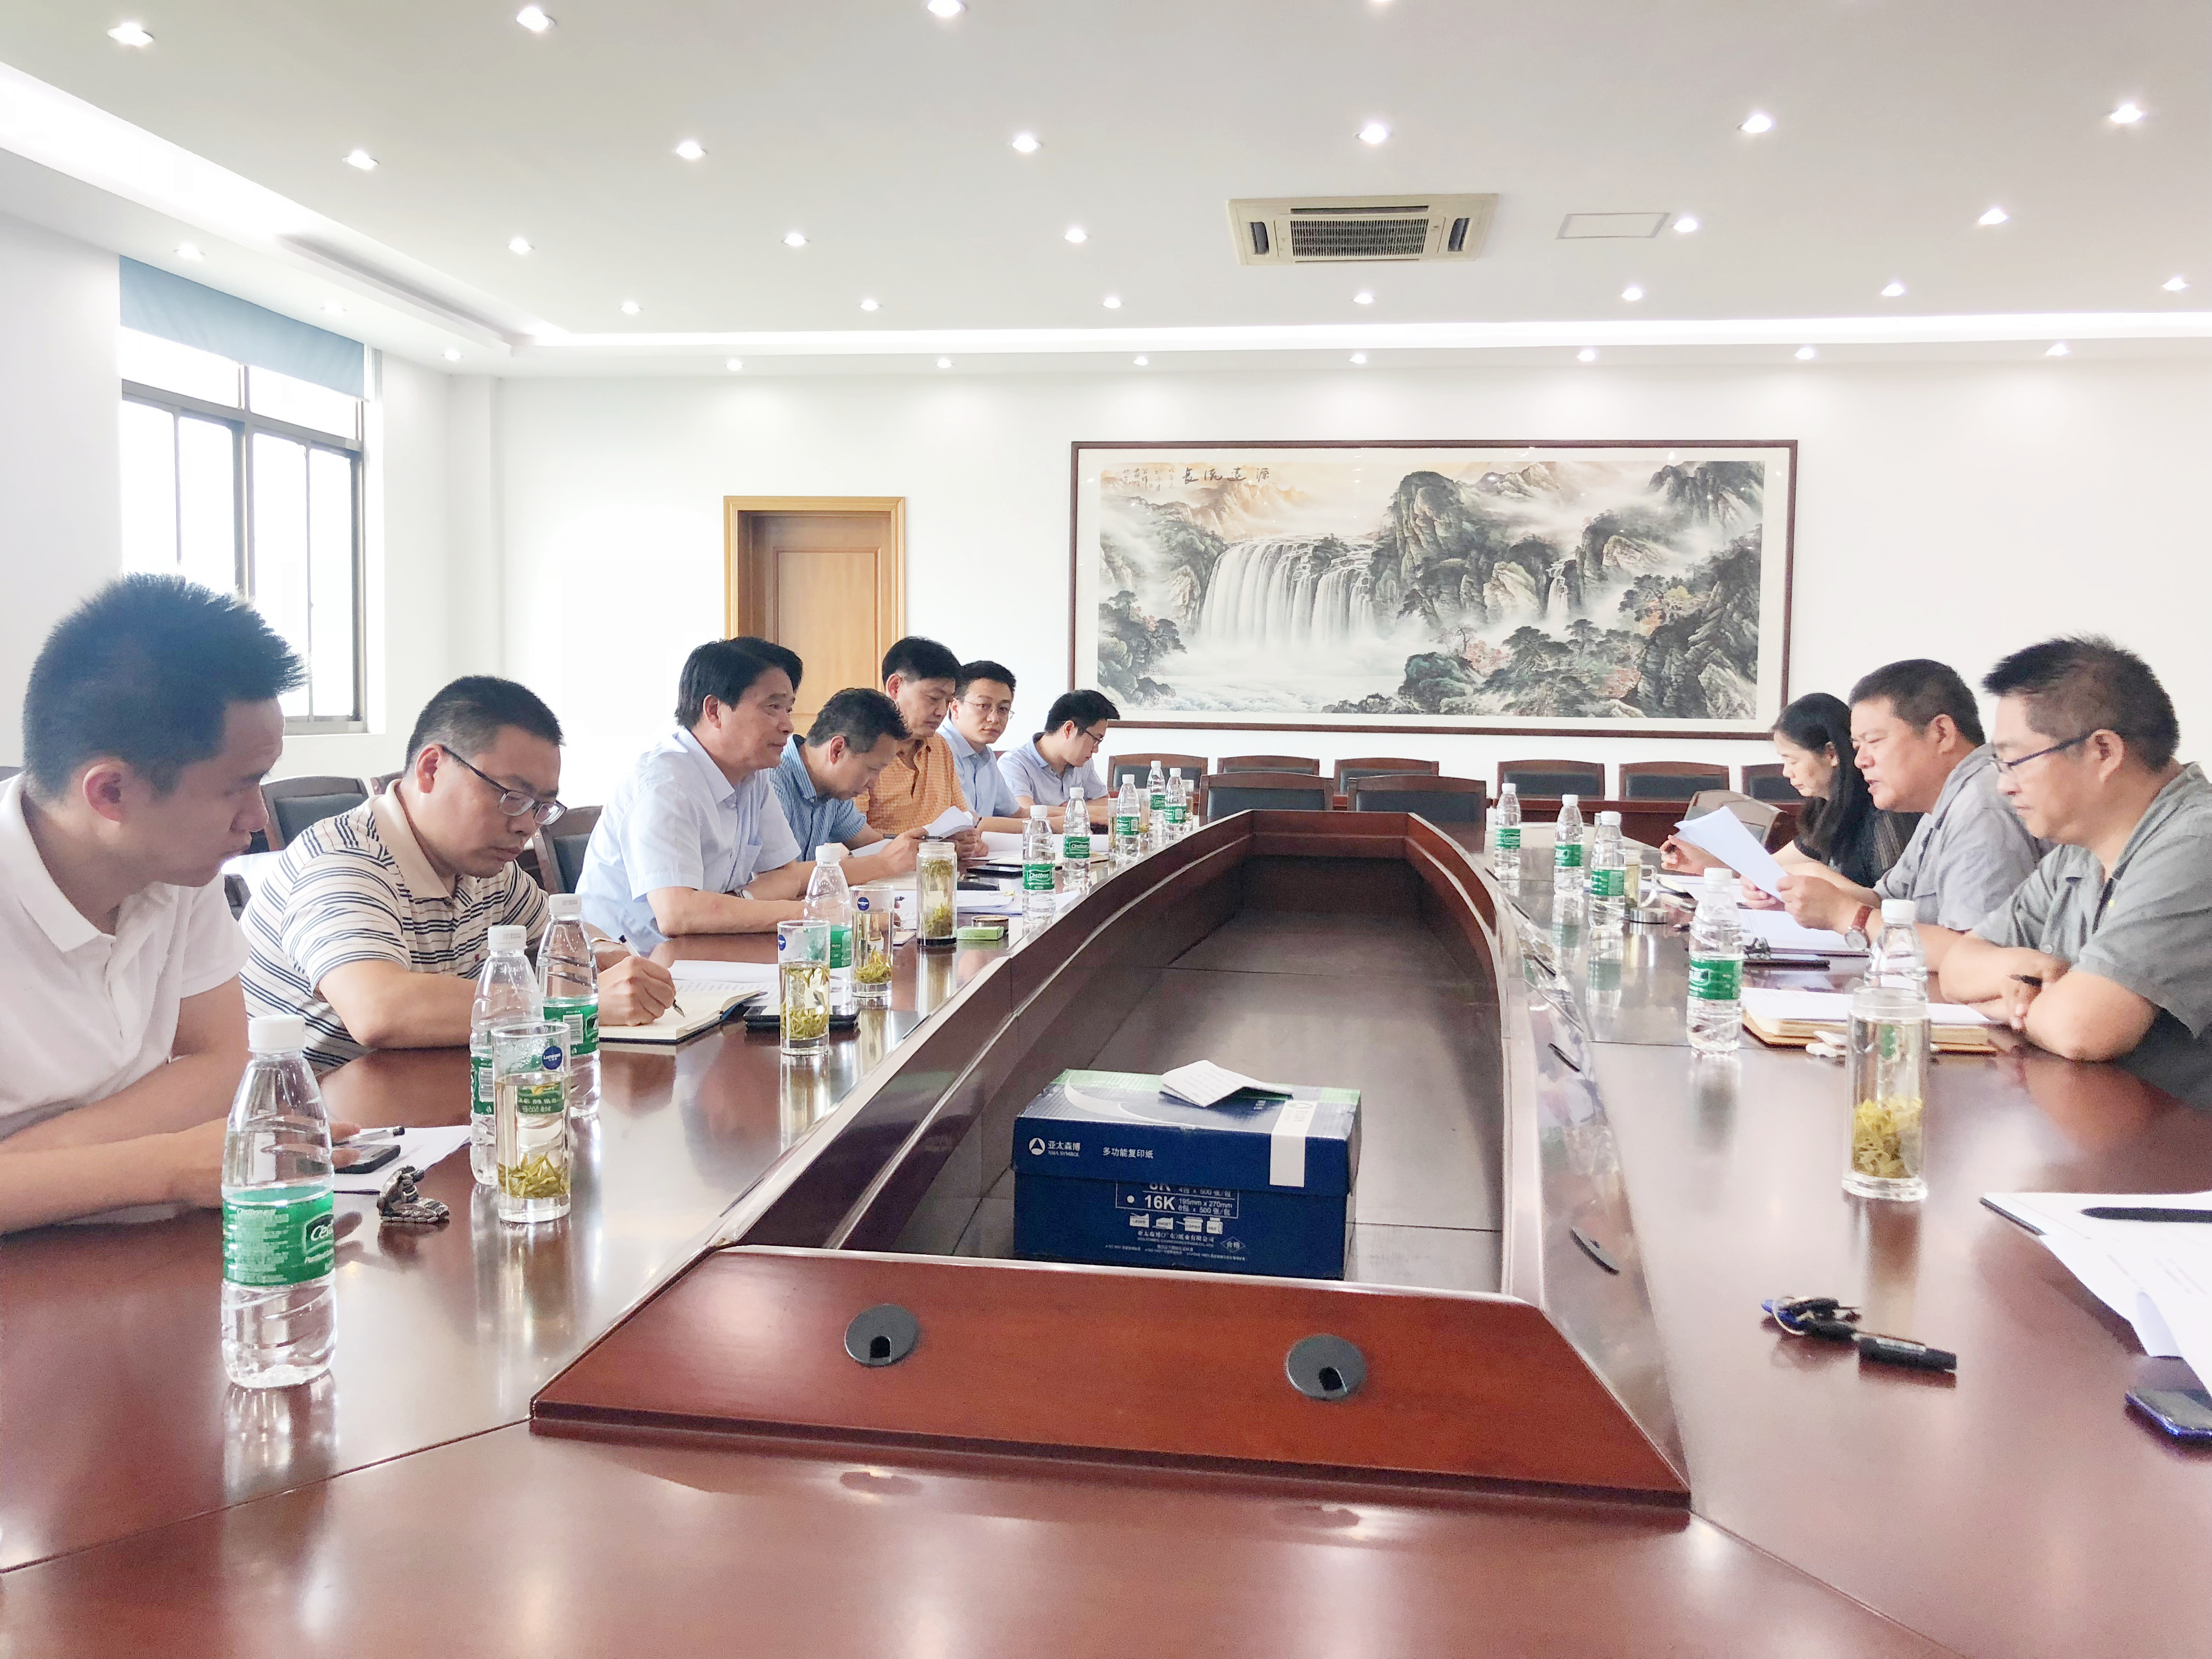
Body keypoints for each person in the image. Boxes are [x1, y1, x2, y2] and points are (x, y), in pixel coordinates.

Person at [0, 575, 302, 1234]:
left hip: (136, 1249)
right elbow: (195, 1115)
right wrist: (160, 1165)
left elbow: (226, 1060)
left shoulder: (176, 870)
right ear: (111, 793)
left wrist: (34, 1168)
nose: (257, 819)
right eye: (236, 787)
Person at [243, 677, 673, 1071]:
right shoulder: (343, 861)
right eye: (513, 797)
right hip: (312, 1115)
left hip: (424, 1094)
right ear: (431, 768)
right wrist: (576, 1004)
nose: (527, 825)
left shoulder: (487, 869)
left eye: (541, 807)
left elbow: (561, 929)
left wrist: (605, 954)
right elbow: (379, 1010)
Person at [1940, 639, 2212, 1108]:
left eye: (2015, 761)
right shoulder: (2079, 850)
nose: (2004, 785)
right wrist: (2031, 973)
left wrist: (2012, 1003)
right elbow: (1958, 967)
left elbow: (2083, 1029)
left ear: (2103, 751)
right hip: (2101, 1121)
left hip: (2181, 1141)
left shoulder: (2195, 842)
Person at [1775, 658, 2043, 962]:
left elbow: (1979, 957)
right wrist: (1802, 893)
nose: (1860, 761)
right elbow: (1884, 902)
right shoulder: (1941, 802)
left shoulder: (1981, 807)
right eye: (1857, 746)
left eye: (1874, 742)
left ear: (1942, 733)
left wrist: (1845, 915)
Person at [577, 638, 817, 949]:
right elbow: (678, 914)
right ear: (714, 710)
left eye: (789, 709)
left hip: (700, 951)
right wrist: (808, 915)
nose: (788, 726)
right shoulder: (666, 785)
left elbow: (787, 875)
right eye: (773, 707)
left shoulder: (752, 776)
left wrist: (734, 902)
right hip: (625, 963)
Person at [770, 688, 924, 880]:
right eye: (873, 769)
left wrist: (935, 847)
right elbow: (780, 878)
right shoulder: (772, 781)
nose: (873, 784)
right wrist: (882, 865)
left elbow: (871, 844)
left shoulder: (834, 792)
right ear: (837, 750)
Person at [855, 636, 985, 858]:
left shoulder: (940, 746)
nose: (941, 712)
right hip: (880, 872)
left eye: (948, 702)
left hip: (939, 870)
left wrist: (969, 840)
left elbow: (962, 817)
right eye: (933, 698)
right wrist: (934, 847)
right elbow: (854, 838)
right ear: (895, 687)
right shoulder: (862, 747)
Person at [999, 690, 1116, 826]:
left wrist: (1066, 808)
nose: (1096, 750)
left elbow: (1105, 803)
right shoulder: (1013, 764)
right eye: (1096, 740)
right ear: (1069, 729)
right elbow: (1026, 816)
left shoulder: (1083, 762)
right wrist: (1081, 811)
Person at [940, 661, 1026, 832]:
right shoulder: (940, 749)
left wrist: (1069, 817)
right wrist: (1051, 825)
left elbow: (1016, 814)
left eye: (1003, 709)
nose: (994, 719)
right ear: (955, 708)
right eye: (983, 706)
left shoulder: (986, 754)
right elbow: (970, 824)